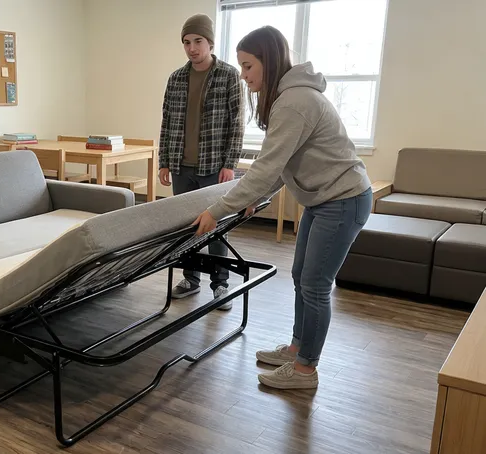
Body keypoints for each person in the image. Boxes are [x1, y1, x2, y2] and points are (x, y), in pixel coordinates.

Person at [193, 25, 373, 390]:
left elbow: (266, 168)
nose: (243, 75)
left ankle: (306, 370)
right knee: (301, 276)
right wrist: (252, 198)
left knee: (316, 285)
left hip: (342, 200)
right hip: (324, 200)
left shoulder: (294, 102)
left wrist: (217, 211)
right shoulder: (287, 98)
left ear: (269, 61)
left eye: (248, 66)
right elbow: (280, 166)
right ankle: (297, 348)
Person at [159, 13, 245, 310]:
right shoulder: (176, 78)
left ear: (210, 42)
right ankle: (190, 279)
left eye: (197, 41)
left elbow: (237, 123)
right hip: (181, 167)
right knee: (186, 226)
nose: (192, 48)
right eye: (186, 42)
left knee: (217, 227)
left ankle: (220, 284)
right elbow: (167, 122)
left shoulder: (229, 75)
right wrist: (164, 161)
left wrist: (230, 163)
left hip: (214, 166)